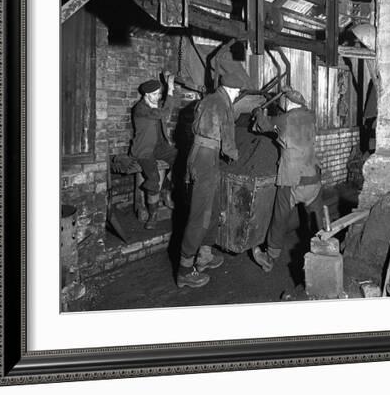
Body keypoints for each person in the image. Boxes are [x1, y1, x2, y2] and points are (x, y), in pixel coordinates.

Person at [177, 72, 244, 288]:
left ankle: (204, 255)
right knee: (200, 216)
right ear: (233, 91)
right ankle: (184, 271)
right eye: (238, 93)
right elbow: (228, 140)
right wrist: (234, 155)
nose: (237, 96)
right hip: (205, 158)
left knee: (213, 209)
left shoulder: (210, 99)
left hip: (205, 155)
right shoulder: (222, 104)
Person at [251, 87, 323, 272]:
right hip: (313, 178)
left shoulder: (284, 119)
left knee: (280, 219)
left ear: (287, 103)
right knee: (317, 220)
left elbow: (262, 126)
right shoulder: (311, 116)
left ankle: (270, 257)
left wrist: (259, 113)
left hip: (293, 180)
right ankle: (323, 253)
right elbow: (304, 106)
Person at [130, 73, 177, 229]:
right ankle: (153, 214)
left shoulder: (156, 105)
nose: (158, 97)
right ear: (146, 94)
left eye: (159, 94)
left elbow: (166, 109)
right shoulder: (140, 109)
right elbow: (166, 113)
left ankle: (167, 191)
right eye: (155, 95)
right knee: (153, 178)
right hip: (144, 150)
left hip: (161, 146)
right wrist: (170, 88)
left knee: (181, 159)